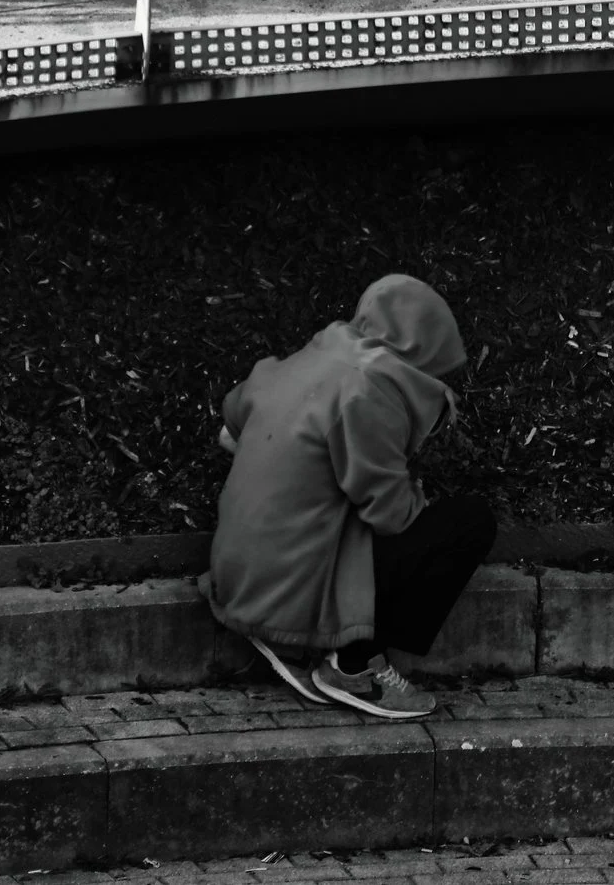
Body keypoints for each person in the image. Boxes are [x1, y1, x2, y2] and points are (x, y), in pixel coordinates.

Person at [204, 274, 497, 719]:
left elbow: (229, 434)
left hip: (239, 567)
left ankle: (297, 640)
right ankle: (356, 664)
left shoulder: (308, 358)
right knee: (469, 521)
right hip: (289, 575)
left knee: (351, 506)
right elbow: (391, 514)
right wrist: (416, 494)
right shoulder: (371, 389)